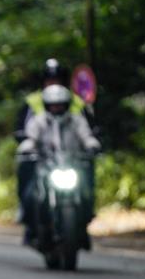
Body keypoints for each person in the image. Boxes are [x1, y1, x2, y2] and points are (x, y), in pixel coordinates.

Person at [17, 84, 101, 243]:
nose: (57, 108)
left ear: (67, 104)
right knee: (30, 195)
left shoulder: (76, 121)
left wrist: (92, 145)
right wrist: (27, 148)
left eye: (60, 104)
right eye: (53, 105)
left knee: (87, 191)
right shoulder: (39, 121)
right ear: (47, 105)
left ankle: (82, 225)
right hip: (46, 167)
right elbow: (31, 138)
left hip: (71, 165)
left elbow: (86, 136)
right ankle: (32, 227)